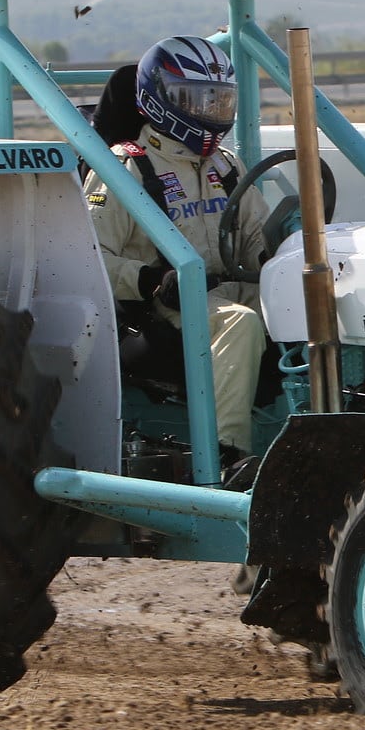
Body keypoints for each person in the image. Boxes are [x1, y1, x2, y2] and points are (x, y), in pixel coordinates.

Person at [82, 37, 267, 461]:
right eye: (196, 100)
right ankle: (227, 456)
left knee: (316, 305)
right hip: (165, 307)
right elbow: (91, 262)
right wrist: (150, 281)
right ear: (159, 97)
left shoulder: (227, 165)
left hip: (227, 289)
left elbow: (258, 238)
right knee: (240, 324)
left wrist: (275, 262)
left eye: (219, 102)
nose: (209, 113)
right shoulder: (125, 166)